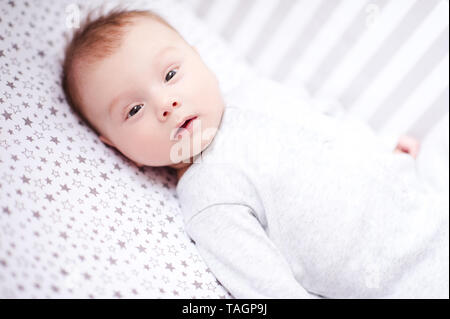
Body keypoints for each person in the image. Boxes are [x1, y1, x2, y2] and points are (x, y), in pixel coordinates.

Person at [62, 8, 449, 298]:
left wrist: (386, 154)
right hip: (403, 279)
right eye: (133, 110)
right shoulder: (208, 195)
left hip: (425, 201)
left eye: (170, 75)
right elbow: (263, 286)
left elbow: (328, 120)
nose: (165, 104)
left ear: (199, 58)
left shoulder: (259, 91)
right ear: (115, 146)